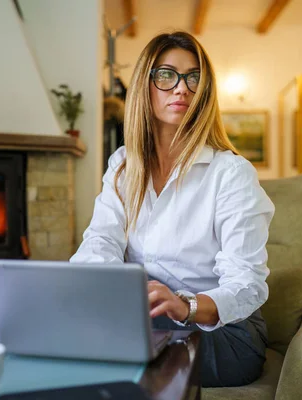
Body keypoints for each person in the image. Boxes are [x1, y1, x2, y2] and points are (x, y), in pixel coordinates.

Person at [70, 31, 274, 387]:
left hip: (224, 333)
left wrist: (187, 305)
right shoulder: (122, 166)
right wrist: (108, 291)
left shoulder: (230, 173)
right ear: (143, 87)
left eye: (193, 78)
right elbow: (99, 242)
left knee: (114, 355)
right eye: (166, 75)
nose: (181, 88)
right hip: (143, 320)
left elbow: (248, 284)